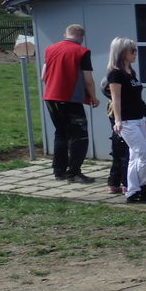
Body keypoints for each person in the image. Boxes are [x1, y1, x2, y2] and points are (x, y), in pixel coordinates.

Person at [42, 23, 99, 182]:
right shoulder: (82, 51)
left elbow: (43, 76)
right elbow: (88, 80)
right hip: (70, 99)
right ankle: (74, 172)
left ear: (65, 34)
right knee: (80, 135)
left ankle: (59, 171)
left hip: (50, 98)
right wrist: (93, 97)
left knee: (61, 132)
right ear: (81, 36)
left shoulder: (50, 49)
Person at [106, 37, 146, 204]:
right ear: (121, 52)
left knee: (135, 157)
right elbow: (116, 99)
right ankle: (141, 185)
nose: (135, 53)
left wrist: (143, 119)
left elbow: (136, 97)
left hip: (138, 118)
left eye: (135, 50)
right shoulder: (115, 73)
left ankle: (133, 191)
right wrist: (118, 121)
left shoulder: (130, 71)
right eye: (132, 50)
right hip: (127, 122)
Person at [101, 75, 129, 194]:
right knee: (126, 159)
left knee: (117, 159)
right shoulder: (120, 105)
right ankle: (126, 184)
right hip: (124, 135)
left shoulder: (110, 104)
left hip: (115, 137)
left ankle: (113, 184)